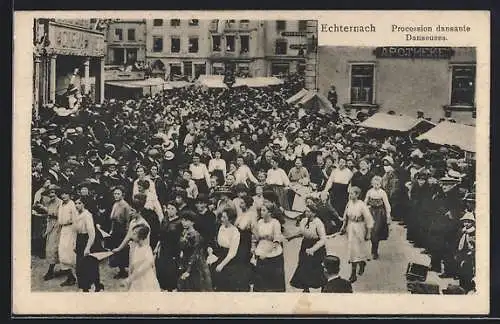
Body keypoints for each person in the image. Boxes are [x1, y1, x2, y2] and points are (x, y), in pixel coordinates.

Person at [290, 202, 327, 292]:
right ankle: (306, 287)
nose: (306, 213)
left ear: (314, 213)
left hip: (316, 247)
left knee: (316, 267)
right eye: (306, 211)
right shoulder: (303, 221)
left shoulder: (318, 223)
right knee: (303, 265)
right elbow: (301, 232)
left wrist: (313, 249)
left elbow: (323, 239)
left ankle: (323, 285)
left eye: (309, 211)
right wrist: (291, 237)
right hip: (305, 244)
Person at [211, 207, 251, 292]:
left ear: (230, 219)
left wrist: (221, 265)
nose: (222, 219)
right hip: (220, 255)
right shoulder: (221, 227)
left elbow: (232, 253)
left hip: (230, 259)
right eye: (222, 217)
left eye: (224, 217)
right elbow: (217, 243)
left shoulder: (235, 232)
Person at [340, 186, 374, 283]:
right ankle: (355, 270)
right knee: (352, 250)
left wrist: (368, 233)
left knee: (358, 249)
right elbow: (345, 215)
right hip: (350, 228)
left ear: (357, 195)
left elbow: (369, 219)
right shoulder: (349, 203)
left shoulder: (362, 205)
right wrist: (343, 226)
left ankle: (356, 269)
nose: (350, 195)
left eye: (352, 193)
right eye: (349, 193)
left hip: (359, 228)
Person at [252, 200, 286, 292]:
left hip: (272, 252)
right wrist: (253, 248)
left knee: (272, 283)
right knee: (260, 281)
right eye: (261, 210)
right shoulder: (259, 222)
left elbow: (276, 241)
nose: (261, 212)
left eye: (264, 210)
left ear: (270, 213)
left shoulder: (275, 223)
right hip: (261, 249)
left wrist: (266, 253)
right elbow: (255, 238)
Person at [73, 196, 104, 292]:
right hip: (80, 240)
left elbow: (92, 234)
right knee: (80, 266)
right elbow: (75, 231)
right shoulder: (77, 214)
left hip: (88, 240)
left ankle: (97, 286)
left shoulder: (87, 215)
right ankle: (85, 288)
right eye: (76, 203)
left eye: (79, 203)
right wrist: (75, 244)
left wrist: (87, 248)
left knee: (90, 265)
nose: (77, 205)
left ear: (84, 204)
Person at [178, 210, 213, 291]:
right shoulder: (184, 232)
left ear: (192, 222)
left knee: (196, 286)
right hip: (185, 260)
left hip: (195, 264)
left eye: (186, 220)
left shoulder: (196, 235)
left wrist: (188, 270)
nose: (183, 222)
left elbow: (196, 253)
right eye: (182, 220)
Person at [121, 224, 161, 292]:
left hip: (146, 279)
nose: (132, 236)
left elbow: (146, 267)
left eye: (135, 234)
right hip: (136, 279)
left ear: (141, 236)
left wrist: (130, 278)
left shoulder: (147, 249)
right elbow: (133, 264)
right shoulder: (136, 248)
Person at [155, 201, 183, 291]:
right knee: (162, 268)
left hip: (174, 249)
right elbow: (160, 235)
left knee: (171, 270)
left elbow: (180, 238)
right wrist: (157, 247)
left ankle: (172, 289)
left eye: (172, 209)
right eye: (168, 208)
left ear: (176, 210)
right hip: (163, 248)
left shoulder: (179, 222)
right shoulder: (165, 220)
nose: (170, 211)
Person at [364, 176, 392, 259]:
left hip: (379, 213)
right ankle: (373, 248)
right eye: (374, 184)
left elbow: (386, 204)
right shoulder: (369, 192)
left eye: (378, 184)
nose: (376, 186)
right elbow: (365, 201)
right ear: (372, 184)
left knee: (376, 230)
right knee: (372, 230)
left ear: (380, 184)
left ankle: (375, 250)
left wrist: (388, 215)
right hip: (371, 212)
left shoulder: (382, 192)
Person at [108, 186, 132, 279]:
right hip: (115, 229)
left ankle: (123, 270)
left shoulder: (125, 206)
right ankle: (120, 269)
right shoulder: (115, 204)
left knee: (122, 250)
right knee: (116, 249)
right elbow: (113, 219)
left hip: (122, 230)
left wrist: (127, 234)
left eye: (118, 193)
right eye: (115, 194)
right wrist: (111, 229)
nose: (116, 195)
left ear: (123, 194)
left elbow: (128, 221)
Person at [57, 186, 78, 286]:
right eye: (62, 194)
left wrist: (74, 235)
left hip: (70, 230)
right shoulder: (61, 204)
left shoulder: (72, 204)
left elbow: (75, 220)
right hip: (63, 230)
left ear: (69, 195)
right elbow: (60, 218)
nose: (64, 196)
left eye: (66, 194)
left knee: (69, 253)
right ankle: (70, 276)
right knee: (62, 252)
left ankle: (72, 277)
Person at [42, 184, 62, 281]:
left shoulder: (60, 203)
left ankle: (51, 270)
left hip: (59, 227)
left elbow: (60, 215)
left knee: (54, 248)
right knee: (50, 248)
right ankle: (62, 268)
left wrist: (46, 210)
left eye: (53, 192)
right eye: (50, 193)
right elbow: (48, 216)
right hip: (51, 226)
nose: (51, 195)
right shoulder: (50, 203)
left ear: (56, 193)